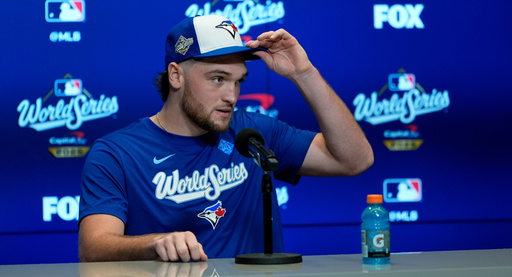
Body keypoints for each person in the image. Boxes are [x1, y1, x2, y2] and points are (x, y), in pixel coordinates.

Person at [78, 14, 374, 262]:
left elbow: (353, 159)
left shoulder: (254, 134)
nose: (231, 96)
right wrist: (154, 243)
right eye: (218, 79)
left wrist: (304, 73)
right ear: (175, 75)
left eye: (238, 81)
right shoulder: (116, 153)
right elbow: (94, 248)